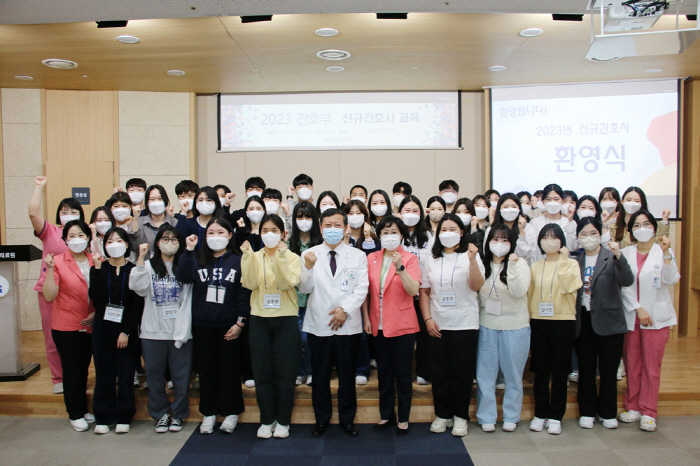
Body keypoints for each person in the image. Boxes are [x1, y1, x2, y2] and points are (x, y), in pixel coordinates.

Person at [176, 218, 251, 435]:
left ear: (229, 236)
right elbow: (184, 276)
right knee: (207, 371)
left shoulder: (239, 260)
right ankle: (208, 413)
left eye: (220, 232)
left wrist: (240, 322)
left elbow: (244, 294)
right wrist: (189, 249)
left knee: (229, 371)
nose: (215, 237)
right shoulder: (198, 258)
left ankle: (231, 412)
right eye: (210, 233)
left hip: (230, 325)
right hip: (203, 325)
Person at [299, 208, 369, 438]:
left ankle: (347, 420)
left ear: (346, 228)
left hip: (347, 325)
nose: (332, 229)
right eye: (327, 225)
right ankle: (322, 419)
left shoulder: (357, 255)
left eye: (337, 225)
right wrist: (307, 268)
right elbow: (304, 289)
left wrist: (345, 311)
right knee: (319, 376)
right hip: (319, 323)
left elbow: (362, 288)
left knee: (347, 376)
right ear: (320, 228)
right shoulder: (309, 254)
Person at [419, 214, 484, 437]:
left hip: (465, 324)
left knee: (462, 373)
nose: (447, 232)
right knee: (439, 372)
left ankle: (460, 416)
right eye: (443, 228)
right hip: (438, 324)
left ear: (462, 232)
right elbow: (424, 292)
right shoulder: (431, 259)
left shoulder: (471, 255)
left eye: (453, 228)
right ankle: (442, 414)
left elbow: (476, 286)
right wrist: (427, 319)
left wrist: (473, 260)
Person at [241, 214, 302, 439]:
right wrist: (247, 257)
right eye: (265, 230)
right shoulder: (253, 256)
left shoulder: (293, 257)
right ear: (260, 233)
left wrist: (282, 257)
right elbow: (248, 283)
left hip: (285, 318)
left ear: (283, 234)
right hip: (259, 318)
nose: (270, 234)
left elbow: (288, 282)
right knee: (262, 373)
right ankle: (267, 419)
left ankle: (283, 421)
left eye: (274, 230)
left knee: (285, 375)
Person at [619, 209, 679, 432]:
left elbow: (671, 279)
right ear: (631, 230)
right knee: (632, 364)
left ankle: (649, 411)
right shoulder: (625, 253)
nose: (641, 228)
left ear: (654, 228)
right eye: (636, 225)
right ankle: (633, 406)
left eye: (646, 224)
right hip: (632, 316)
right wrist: (638, 308)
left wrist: (666, 255)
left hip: (656, 318)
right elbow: (623, 285)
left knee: (652, 367)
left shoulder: (663, 251)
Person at [130, 224, 193, 433]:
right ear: (157, 242)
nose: (170, 243)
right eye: (165, 239)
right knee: (155, 376)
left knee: (181, 377)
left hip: (180, 332)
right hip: (152, 332)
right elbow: (138, 288)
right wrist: (140, 257)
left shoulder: (184, 266)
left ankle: (179, 414)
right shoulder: (147, 267)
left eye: (174, 239)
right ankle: (161, 414)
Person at [363, 217, 421, 436]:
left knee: (403, 374)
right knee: (384, 373)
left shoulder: (410, 258)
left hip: (403, 325)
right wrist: (366, 319)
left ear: (402, 235)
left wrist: (400, 267)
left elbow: (413, 290)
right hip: (377, 324)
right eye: (385, 233)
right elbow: (365, 291)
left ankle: (404, 418)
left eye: (394, 232)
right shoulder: (372, 258)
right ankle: (386, 414)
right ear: (379, 235)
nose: (389, 236)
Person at [574, 217, 633, 430]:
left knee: (608, 370)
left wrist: (619, 256)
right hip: (584, 319)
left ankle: (608, 412)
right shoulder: (575, 260)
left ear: (600, 235)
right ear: (578, 237)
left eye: (592, 233)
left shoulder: (612, 256)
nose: (588, 238)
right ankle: (587, 411)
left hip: (609, 320)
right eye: (583, 234)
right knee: (586, 369)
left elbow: (627, 280)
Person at [28, 175, 85, 395]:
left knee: (77, 336)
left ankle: (77, 375)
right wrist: (38, 187)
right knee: (52, 337)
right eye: (64, 211)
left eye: (73, 211)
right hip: (50, 290)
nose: (69, 215)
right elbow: (33, 213)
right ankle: (57, 377)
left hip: (76, 292)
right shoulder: (49, 231)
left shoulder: (83, 232)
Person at [476, 224, 531, 433]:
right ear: (488, 242)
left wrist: (514, 266)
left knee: (513, 375)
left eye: (505, 240)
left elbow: (518, 292)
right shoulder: (483, 263)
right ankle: (486, 415)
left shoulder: (521, 263)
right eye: (495, 240)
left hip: (515, 327)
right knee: (485, 374)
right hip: (487, 325)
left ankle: (511, 415)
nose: (500, 245)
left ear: (512, 244)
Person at [527, 223, 582, 435]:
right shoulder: (535, 266)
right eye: (545, 236)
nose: (549, 240)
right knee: (541, 371)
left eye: (554, 236)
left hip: (563, 321)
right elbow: (530, 295)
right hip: (539, 320)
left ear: (562, 241)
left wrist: (564, 260)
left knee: (560, 371)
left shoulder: (571, 264)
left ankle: (556, 415)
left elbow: (570, 286)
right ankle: (540, 413)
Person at [41, 220, 95, 432]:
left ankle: (82, 409)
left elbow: (101, 292)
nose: (76, 239)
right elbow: (49, 295)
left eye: (81, 235)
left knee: (83, 370)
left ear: (88, 238)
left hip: (90, 323)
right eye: (71, 236)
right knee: (72, 370)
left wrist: (96, 313)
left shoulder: (95, 260)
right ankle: (74, 413)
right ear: (64, 240)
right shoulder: (58, 262)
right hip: (66, 326)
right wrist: (50, 268)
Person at [88, 227, 142, 434]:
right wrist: (98, 268)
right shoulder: (99, 268)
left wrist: (126, 331)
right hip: (102, 326)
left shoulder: (133, 269)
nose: (114, 244)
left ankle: (124, 415)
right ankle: (103, 415)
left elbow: (137, 304)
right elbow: (96, 297)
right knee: (104, 373)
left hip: (125, 328)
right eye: (109, 241)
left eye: (119, 240)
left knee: (126, 373)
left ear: (127, 244)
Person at [343, 199, 379, 385]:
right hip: (345, 290)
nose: (355, 217)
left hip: (368, 291)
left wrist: (367, 239)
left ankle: (363, 368)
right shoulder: (341, 239)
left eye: (359, 213)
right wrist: (347, 240)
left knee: (366, 329)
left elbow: (372, 260)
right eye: (350, 213)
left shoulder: (373, 238)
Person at [398, 195, 433, 385]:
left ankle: (423, 372)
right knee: (404, 338)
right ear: (399, 213)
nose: (411, 215)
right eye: (407, 211)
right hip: (401, 294)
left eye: (415, 211)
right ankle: (404, 373)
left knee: (424, 336)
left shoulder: (429, 236)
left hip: (423, 295)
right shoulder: (395, 235)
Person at [288, 202, 323, 386]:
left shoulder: (320, 244)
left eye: (308, 217)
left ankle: (311, 371)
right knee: (296, 339)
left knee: (310, 340)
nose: (304, 221)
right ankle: (300, 372)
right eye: (299, 217)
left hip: (315, 299)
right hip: (294, 300)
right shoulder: (288, 244)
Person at [527, 184, 578, 262]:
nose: (553, 202)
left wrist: (570, 220)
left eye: (556, 199)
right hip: (541, 267)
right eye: (549, 199)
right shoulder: (535, 223)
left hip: (563, 268)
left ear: (562, 201)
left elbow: (573, 247)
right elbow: (532, 251)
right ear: (543, 202)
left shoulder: (568, 222)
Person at [484, 193, 535, 262]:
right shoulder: (491, 229)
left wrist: (522, 231)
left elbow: (527, 255)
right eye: (505, 207)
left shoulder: (528, 228)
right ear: (499, 209)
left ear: (519, 209)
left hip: (519, 268)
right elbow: (487, 252)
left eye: (514, 207)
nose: (510, 210)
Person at [176, 186, 225, 251]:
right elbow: (178, 237)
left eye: (209, 200)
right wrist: (184, 212)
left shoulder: (223, 224)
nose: (204, 203)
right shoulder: (189, 223)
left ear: (216, 203)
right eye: (200, 200)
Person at [131, 184, 178, 251]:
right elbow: (134, 246)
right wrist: (135, 218)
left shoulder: (174, 222)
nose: (156, 202)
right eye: (152, 199)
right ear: (147, 203)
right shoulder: (139, 222)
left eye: (160, 199)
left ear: (165, 201)